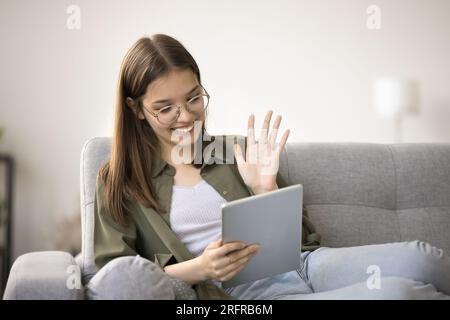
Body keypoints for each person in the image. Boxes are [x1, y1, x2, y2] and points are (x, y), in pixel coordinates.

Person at [91, 34, 450, 300]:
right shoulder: (118, 180)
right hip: (245, 297)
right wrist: (199, 268)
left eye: (193, 98)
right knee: (400, 294)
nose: (185, 116)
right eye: (165, 108)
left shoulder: (235, 151)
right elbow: (117, 276)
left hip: (307, 266)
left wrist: (266, 190)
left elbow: (303, 242)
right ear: (136, 109)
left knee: (421, 259)